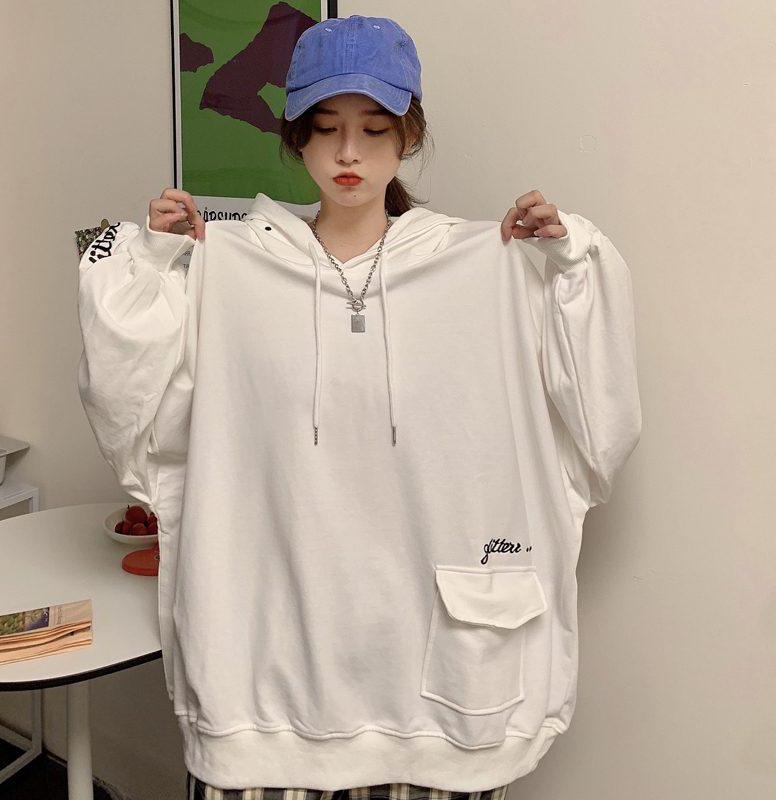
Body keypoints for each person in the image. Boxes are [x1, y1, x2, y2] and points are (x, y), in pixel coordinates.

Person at [77, 14, 641, 800]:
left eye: (375, 128)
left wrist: (568, 265)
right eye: (326, 128)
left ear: (408, 135)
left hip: (441, 709)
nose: (349, 152)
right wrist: (154, 261)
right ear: (296, 137)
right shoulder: (227, 266)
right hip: (261, 706)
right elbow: (129, 413)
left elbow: (601, 426)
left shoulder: (491, 267)